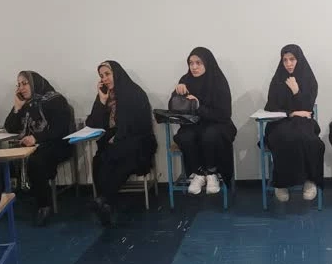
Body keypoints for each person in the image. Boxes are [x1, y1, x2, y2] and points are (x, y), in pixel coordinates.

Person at [86, 61, 157, 225]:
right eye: (101, 76)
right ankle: (105, 203)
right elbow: (92, 123)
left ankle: (104, 200)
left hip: (139, 142)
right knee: (99, 160)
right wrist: (101, 101)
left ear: (117, 73)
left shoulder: (134, 93)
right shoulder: (106, 95)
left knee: (118, 158)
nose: (104, 79)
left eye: (107, 74)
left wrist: (118, 137)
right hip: (115, 143)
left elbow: (141, 125)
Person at [3, 71, 73, 226]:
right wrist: (17, 108)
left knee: (36, 161)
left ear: (35, 83)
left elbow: (60, 128)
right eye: (19, 85)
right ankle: (1, 205)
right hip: (32, 147)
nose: (21, 88)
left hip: (57, 144)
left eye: (25, 83)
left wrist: (36, 138)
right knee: (1, 163)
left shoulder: (55, 100)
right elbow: (10, 127)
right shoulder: (26, 103)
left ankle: (44, 206)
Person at [263, 44, 324, 202]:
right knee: (282, 138)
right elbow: (271, 106)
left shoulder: (310, 80)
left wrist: (296, 90)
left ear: (299, 60)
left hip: (304, 122)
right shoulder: (278, 80)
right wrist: (292, 113)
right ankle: (281, 183)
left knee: (310, 140)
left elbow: (308, 107)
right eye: (285, 60)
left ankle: (310, 180)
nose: (288, 63)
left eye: (292, 59)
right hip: (280, 122)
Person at [172, 47, 237, 195]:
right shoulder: (185, 80)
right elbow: (175, 108)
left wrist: (198, 106)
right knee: (185, 137)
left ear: (207, 63)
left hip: (218, 124)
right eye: (191, 63)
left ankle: (212, 172)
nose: (194, 67)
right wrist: (177, 92)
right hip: (193, 125)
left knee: (209, 135)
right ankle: (199, 173)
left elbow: (224, 114)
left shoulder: (218, 81)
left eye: (198, 63)